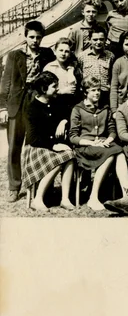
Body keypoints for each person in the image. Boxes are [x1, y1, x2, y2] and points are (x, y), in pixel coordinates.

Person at [0, 20, 54, 202]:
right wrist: (2, 108)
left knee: (36, 144)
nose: (35, 41)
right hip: (17, 103)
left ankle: (38, 184)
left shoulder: (47, 54)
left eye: (38, 38)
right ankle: (15, 186)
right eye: (31, 37)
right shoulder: (14, 55)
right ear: (25, 37)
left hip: (37, 102)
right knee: (14, 146)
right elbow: (6, 82)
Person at [69, 76, 128, 211]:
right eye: (93, 90)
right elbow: (73, 136)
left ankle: (126, 196)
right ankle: (93, 197)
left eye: (99, 90)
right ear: (86, 92)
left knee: (120, 153)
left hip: (104, 145)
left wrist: (108, 140)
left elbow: (112, 130)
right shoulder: (78, 109)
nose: (97, 93)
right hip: (85, 148)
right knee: (112, 154)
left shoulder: (105, 108)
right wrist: (92, 143)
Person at [21, 72, 75, 212]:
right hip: (35, 148)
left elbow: (68, 112)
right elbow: (33, 137)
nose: (57, 89)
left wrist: (63, 121)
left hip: (51, 148)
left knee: (69, 156)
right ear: (44, 89)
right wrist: (53, 145)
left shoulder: (56, 102)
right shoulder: (31, 108)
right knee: (59, 159)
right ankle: (37, 199)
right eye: (54, 87)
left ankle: (65, 199)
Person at [44, 37, 82, 119]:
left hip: (71, 106)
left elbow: (77, 89)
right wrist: (62, 91)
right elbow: (44, 91)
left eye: (66, 51)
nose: (63, 54)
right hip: (54, 106)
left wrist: (71, 70)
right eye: (61, 50)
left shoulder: (74, 68)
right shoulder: (49, 68)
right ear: (55, 51)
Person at [78, 24, 114, 106]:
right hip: (89, 95)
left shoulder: (110, 56)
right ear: (90, 40)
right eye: (95, 39)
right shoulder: (82, 56)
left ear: (105, 40)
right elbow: (80, 75)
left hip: (105, 94)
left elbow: (111, 75)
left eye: (101, 39)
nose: (98, 42)